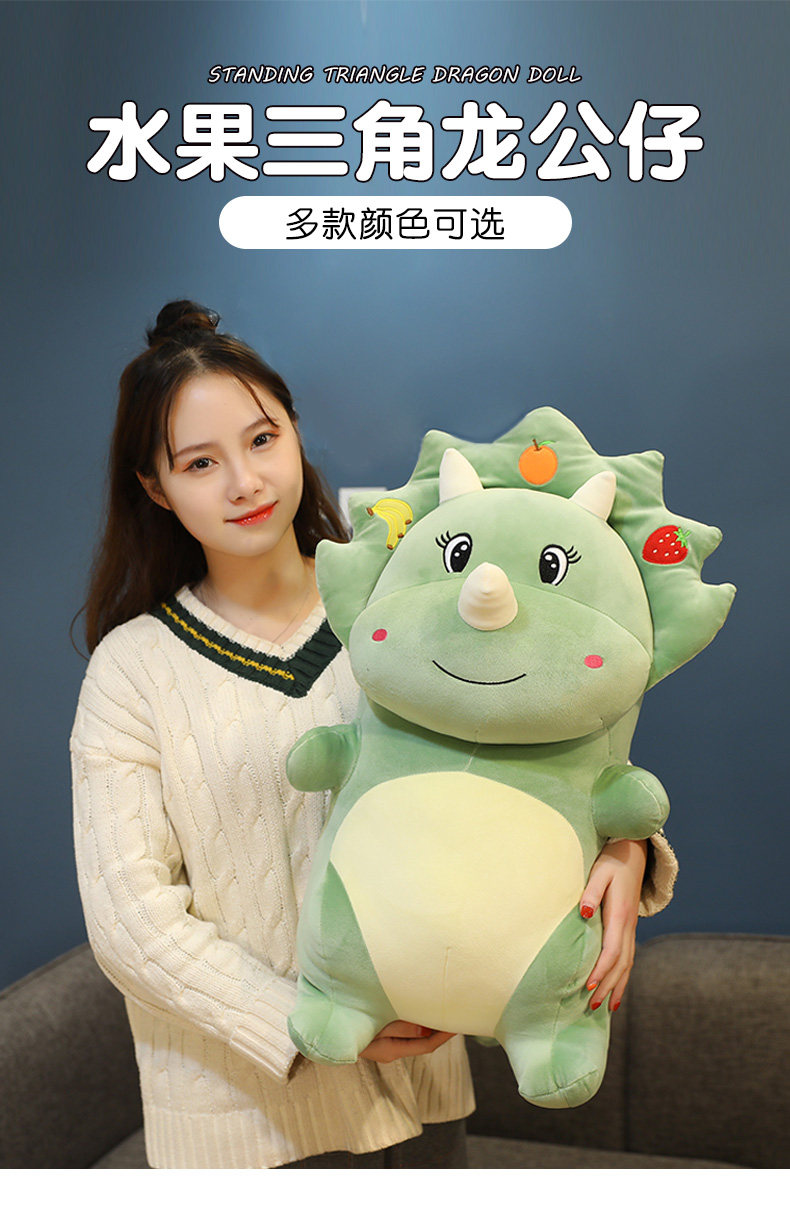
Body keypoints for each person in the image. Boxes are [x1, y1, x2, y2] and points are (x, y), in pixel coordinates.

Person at [70, 301, 677, 1170]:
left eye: (262, 439)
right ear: (155, 487)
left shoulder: (412, 602)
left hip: (426, 1093)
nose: (244, 481)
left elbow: (553, 742)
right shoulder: (132, 669)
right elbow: (130, 919)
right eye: (201, 462)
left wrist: (626, 850)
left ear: (294, 434)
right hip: (243, 1124)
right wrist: (301, 1021)